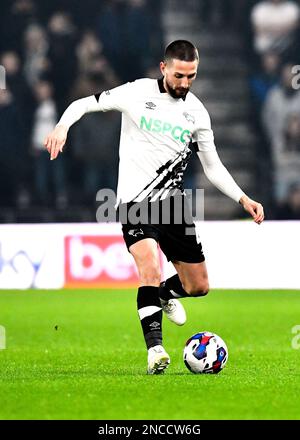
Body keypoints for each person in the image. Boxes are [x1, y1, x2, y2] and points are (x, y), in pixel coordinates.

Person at [44, 40, 264, 375]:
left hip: (173, 206)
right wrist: (62, 126)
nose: (185, 83)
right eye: (179, 75)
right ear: (164, 68)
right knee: (149, 267)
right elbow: (84, 103)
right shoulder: (135, 92)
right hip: (134, 202)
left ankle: (162, 294)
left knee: (197, 286)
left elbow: (213, 166)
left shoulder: (197, 113)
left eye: (191, 76)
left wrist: (242, 198)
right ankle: (155, 350)